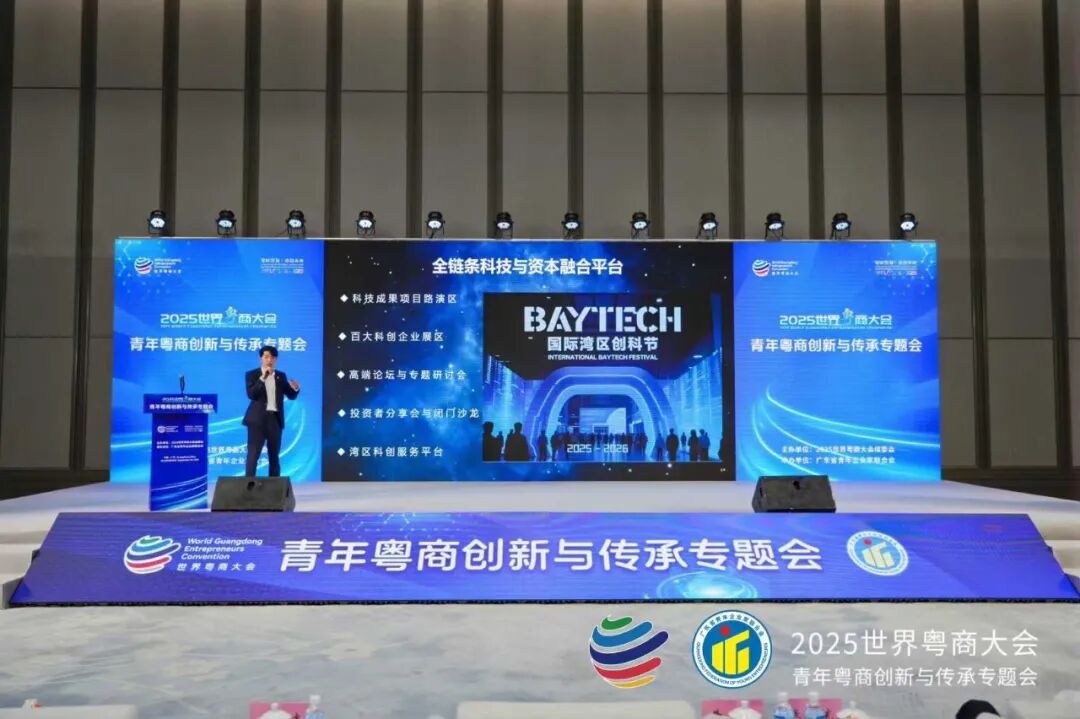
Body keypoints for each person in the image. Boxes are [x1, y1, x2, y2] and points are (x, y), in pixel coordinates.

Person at [243, 345, 299, 476]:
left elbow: (291, 395)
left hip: (275, 420)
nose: (270, 360)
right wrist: (263, 378)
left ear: (276, 360)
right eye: (267, 357)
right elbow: (252, 394)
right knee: (253, 455)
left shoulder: (280, 376)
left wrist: (296, 389)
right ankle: (249, 484)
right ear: (261, 358)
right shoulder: (252, 374)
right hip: (257, 420)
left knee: (274, 456)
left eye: (273, 357)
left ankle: (274, 485)